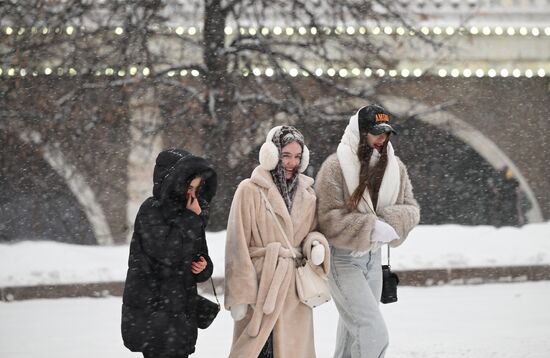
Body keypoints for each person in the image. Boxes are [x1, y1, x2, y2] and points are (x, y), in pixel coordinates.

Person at [315, 104, 420, 358]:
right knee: (372, 330)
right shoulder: (334, 167)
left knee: (354, 331)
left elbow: (411, 209)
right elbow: (326, 218)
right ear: (360, 133)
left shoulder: (397, 168)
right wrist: (370, 227)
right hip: (343, 260)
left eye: (386, 133)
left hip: (374, 260)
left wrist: (387, 222)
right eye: (376, 132)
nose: (382, 139)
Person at [224, 125, 330, 358]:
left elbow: (313, 231)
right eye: (286, 155)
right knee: (259, 349)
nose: (292, 163)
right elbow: (236, 245)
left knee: (293, 350)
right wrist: (240, 295)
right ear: (270, 155)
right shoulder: (249, 190)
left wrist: (315, 244)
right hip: (263, 284)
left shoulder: (308, 194)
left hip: (294, 287)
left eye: (297, 157)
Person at [121, 148, 217, 358]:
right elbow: (166, 253)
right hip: (154, 315)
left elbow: (201, 258)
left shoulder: (192, 214)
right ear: (174, 183)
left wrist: (203, 267)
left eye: (197, 188)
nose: (193, 194)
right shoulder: (151, 210)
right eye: (189, 187)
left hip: (181, 318)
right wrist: (193, 220)